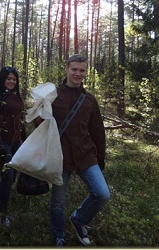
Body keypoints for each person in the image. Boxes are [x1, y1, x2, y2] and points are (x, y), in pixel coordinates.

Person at [44, 54, 110, 246]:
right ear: (66, 69)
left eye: (82, 70)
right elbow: (41, 125)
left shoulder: (89, 99)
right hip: (61, 156)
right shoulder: (52, 95)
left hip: (85, 155)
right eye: (74, 69)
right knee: (58, 202)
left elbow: (97, 129)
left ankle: (79, 219)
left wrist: (101, 156)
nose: (78, 73)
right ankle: (59, 236)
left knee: (102, 193)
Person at [0, 67, 27, 226]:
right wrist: (0, 146)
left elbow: (21, 121)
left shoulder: (16, 97)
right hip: (1, 144)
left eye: (14, 79)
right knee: (8, 177)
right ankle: (2, 214)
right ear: (2, 79)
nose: (11, 82)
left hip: (16, 144)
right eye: (9, 78)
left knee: (9, 178)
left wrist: (26, 141)